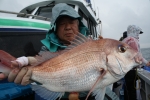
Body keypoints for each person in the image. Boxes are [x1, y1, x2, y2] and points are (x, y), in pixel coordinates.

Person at [0, 3, 119, 100]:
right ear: (55, 29)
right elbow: (39, 62)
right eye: (62, 23)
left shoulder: (92, 45)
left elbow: (103, 83)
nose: (67, 27)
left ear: (79, 25)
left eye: (72, 22)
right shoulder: (47, 49)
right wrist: (27, 64)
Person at [122, 25, 150, 100]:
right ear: (134, 32)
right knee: (132, 92)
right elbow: (137, 56)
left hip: (126, 70)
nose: (138, 35)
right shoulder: (133, 40)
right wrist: (147, 63)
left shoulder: (125, 40)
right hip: (131, 71)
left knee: (128, 90)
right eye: (138, 32)